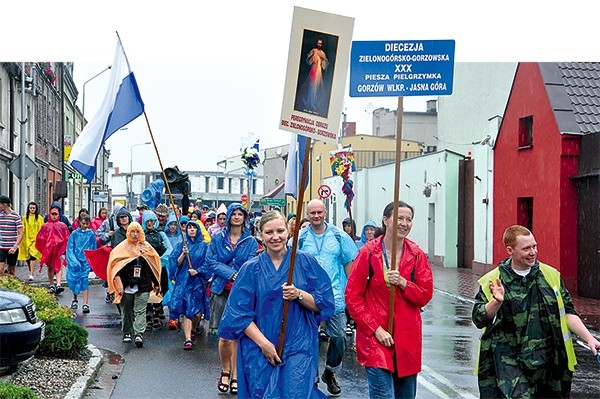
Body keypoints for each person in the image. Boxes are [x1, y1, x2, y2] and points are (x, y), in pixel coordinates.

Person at [472, 225, 600, 398]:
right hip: (509, 363)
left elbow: (567, 312)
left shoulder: (550, 276)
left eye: (534, 246)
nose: (533, 252)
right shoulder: (494, 281)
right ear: (510, 250)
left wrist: (589, 338)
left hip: (549, 361)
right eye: (526, 248)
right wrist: (495, 302)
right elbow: (479, 318)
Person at [218, 210, 335, 398]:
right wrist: (264, 345)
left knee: (295, 393)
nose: (275, 237)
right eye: (269, 232)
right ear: (260, 235)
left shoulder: (305, 263)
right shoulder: (251, 269)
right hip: (259, 347)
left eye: (280, 231)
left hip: (299, 344)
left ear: (288, 232)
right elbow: (239, 314)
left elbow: (322, 304)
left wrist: (299, 294)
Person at [345, 201, 434, 399]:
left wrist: (403, 283)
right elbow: (352, 296)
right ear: (385, 220)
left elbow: (425, 294)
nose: (404, 223)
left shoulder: (417, 254)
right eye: (399, 218)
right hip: (376, 337)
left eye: (409, 219)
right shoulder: (368, 253)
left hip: (407, 338)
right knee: (383, 395)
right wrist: (375, 329)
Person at [297, 199, 358, 396]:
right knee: (310, 338)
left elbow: (349, 263)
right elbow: (292, 264)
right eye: (312, 213)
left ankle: (330, 371)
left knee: (339, 337)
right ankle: (312, 377)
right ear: (307, 214)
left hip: (335, 297)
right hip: (308, 297)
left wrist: (354, 291)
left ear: (325, 213)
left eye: (319, 212)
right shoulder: (300, 237)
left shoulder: (339, 236)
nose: (316, 216)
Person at [207, 203, 258, 394]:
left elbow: (252, 263)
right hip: (221, 288)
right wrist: (231, 274)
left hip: (242, 292)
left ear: (245, 218)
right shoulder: (217, 238)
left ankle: (236, 374)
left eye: (240, 214)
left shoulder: (251, 241)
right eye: (234, 214)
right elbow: (211, 262)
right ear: (228, 216)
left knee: (237, 334)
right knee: (224, 335)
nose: (237, 217)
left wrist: (240, 276)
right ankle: (224, 370)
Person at [107, 222, 162, 348]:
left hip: (143, 284)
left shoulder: (146, 247)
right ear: (128, 233)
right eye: (132, 232)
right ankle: (127, 332)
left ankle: (138, 333)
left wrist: (156, 282)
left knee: (140, 310)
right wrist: (118, 281)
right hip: (126, 284)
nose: (135, 234)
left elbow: (152, 265)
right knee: (126, 310)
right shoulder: (122, 248)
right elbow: (115, 266)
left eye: (137, 232)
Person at [169, 220, 211, 350]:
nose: (191, 230)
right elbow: (175, 262)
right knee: (187, 309)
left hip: (198, 282)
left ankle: (193, 328)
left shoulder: (204, 246)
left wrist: (198, 271)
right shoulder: (182, 245)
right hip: (184, 282)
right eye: (189, 228)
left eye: (194, 228)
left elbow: (208, 263)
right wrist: (183, 254)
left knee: (197, 313)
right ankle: (187, 339)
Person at [141, 210, 173, 330]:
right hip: (146, 268)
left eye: (152, 221)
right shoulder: (142, 235)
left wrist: (161, 259)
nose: (150, 223)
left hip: (160, 266)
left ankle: (157, 313)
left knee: (160, 288)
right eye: (148, 221)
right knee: (147, 290)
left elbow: (169, 248)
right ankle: (148, 316)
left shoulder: (161, 234)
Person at [35, 204, 70, 294]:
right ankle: (51, 285)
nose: (54, 216)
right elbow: (40, 238)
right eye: (52, 214)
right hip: (48, 251)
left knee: (58, 266)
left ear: (58, 215)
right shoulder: (45, 226)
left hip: (59, 251)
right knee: (50, 267)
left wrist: (63, 248)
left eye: (56, 214)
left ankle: (58, 284)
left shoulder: (62, 225)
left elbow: (66, 237)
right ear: (50, 215)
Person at [65, 214, 97, 313]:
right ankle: (75, 299)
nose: (85, 225)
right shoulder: (74, 234)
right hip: (76, 260)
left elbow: (93, 247)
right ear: (79, 222)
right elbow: (70, 247)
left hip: (85, 261)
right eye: (83, 223)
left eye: (87, 223)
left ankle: (85, 303)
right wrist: (73, 260)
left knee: (84, 280)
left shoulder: (91, 233)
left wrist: (92, 260)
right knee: (74, 279)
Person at [18, 201, 44, 281]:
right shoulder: (25, 218)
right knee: (27, 256)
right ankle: (31, 271)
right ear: (28, 209)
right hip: (26, 240)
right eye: (31, 208)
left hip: (36, 240)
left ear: (36, 209)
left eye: (33, 208)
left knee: (33, 255)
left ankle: (31, 273)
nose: (32, 209)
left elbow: (42, 228)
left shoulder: (39, 218)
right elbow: (22, 228)